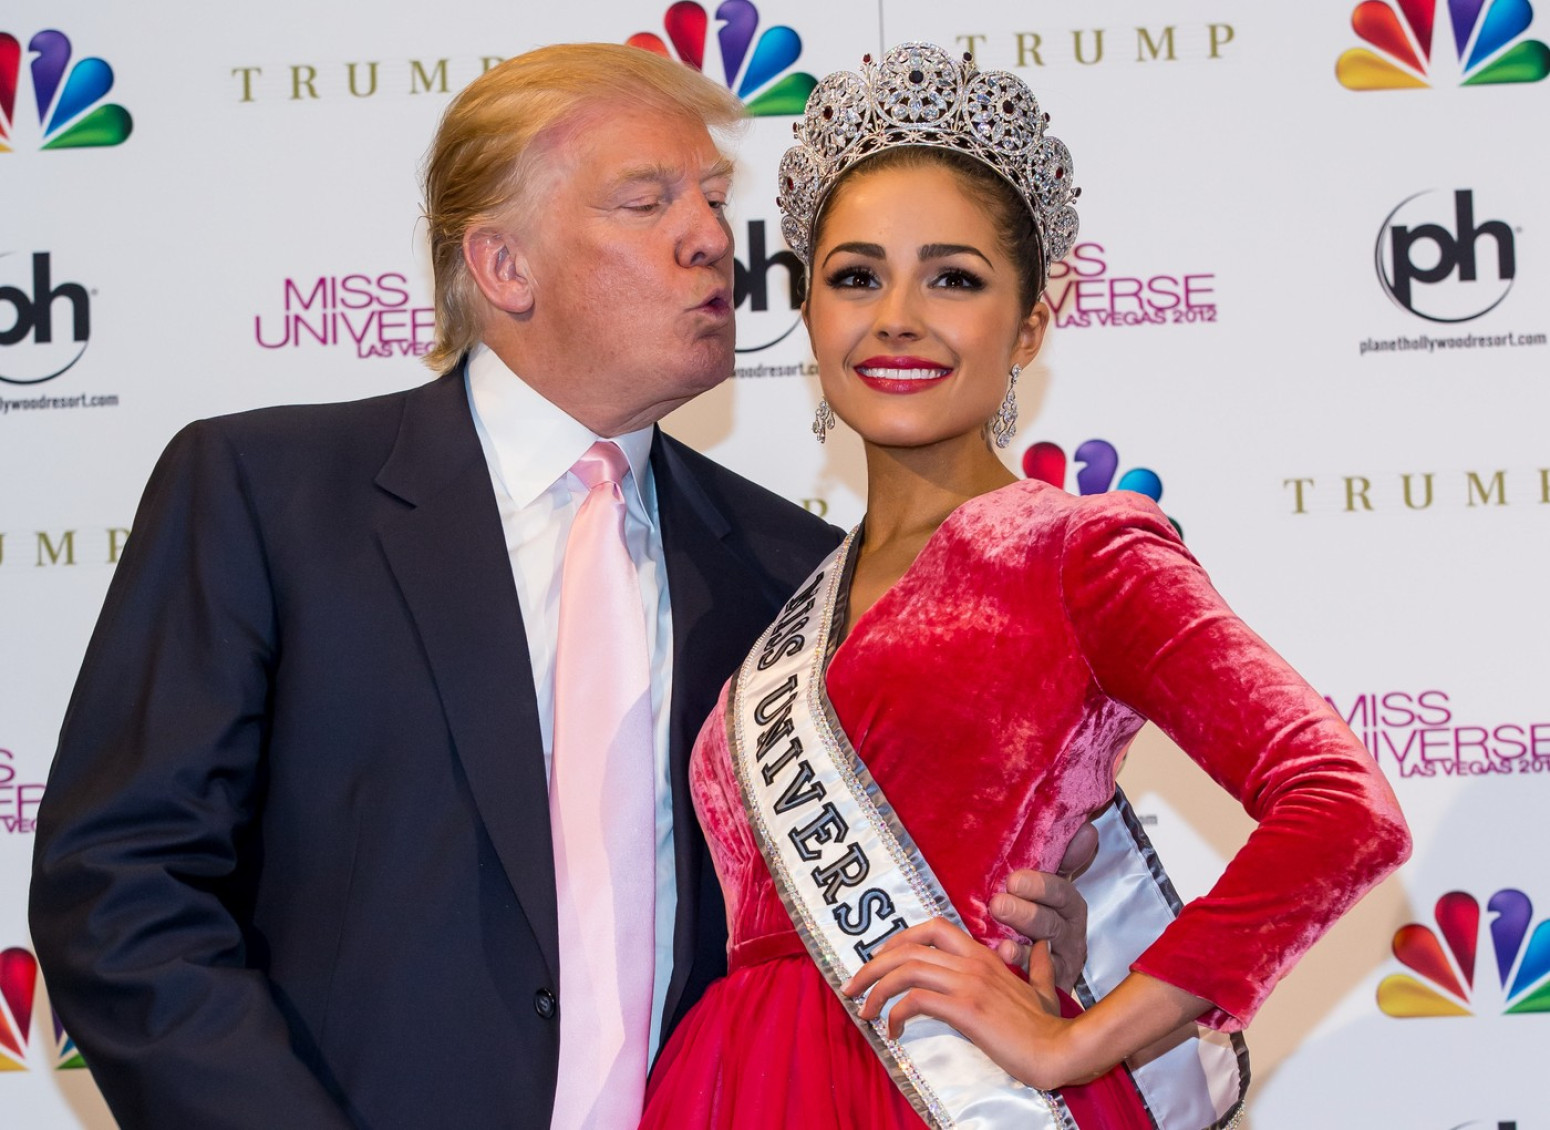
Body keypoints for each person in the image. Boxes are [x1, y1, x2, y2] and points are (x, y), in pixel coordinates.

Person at [28, 43, 1090, 1130]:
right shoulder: (269, 497)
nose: (711, 239)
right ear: (504, 267)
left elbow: (815, 939)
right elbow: (120, 892)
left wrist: (1013, 924)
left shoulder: (794, 578)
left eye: (713, 198)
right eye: (648, 201)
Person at [639, 43, 1412, 1129]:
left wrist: (1078, 1041)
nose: (896, 315)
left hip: (939, 1092)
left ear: (1032, 322)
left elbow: (1342, 809)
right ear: (807, 308)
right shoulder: (786, 606)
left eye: (952, 278)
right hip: (732, 1083)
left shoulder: (1080, 553)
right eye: (855, 276)